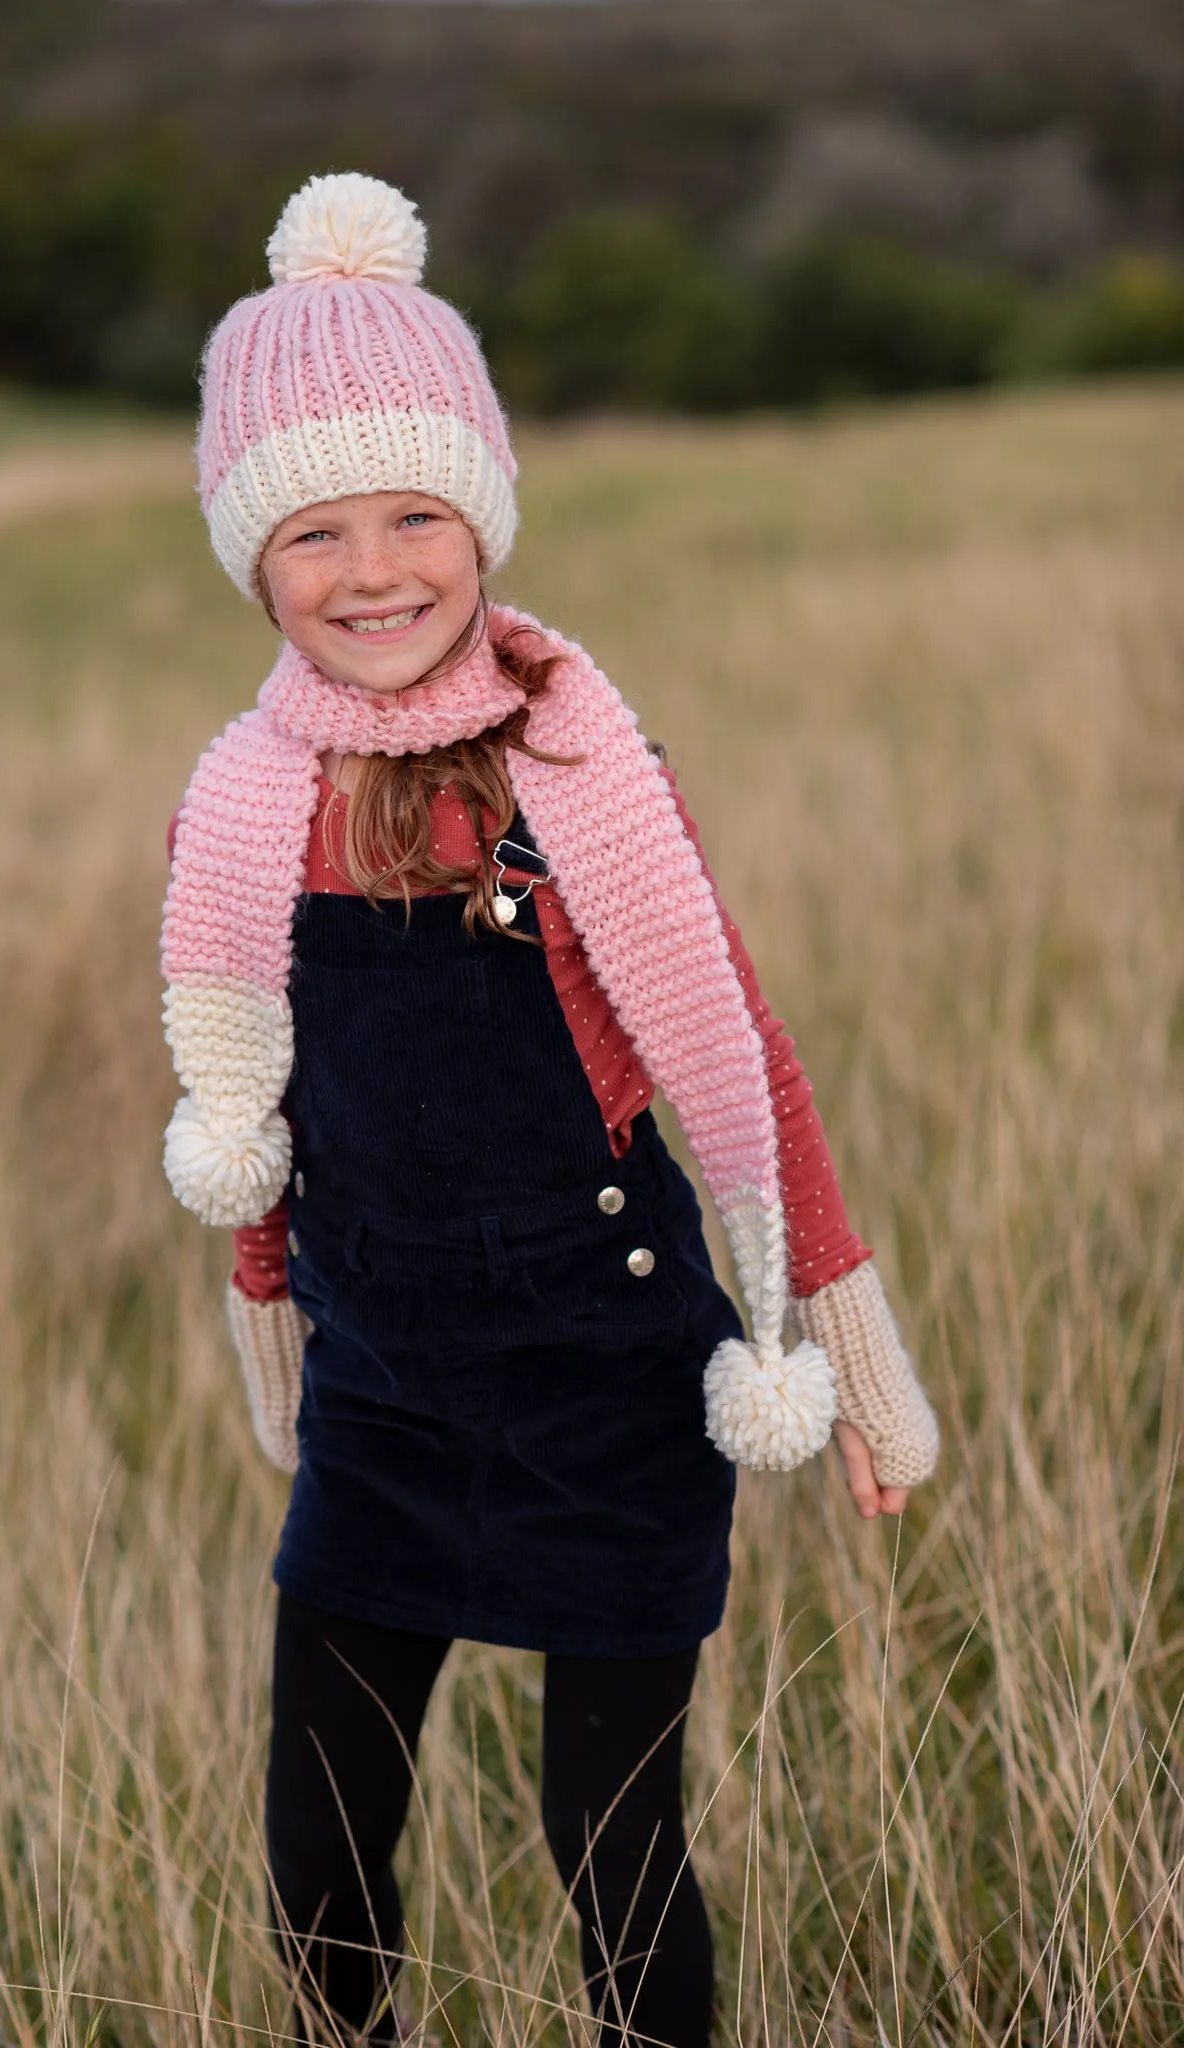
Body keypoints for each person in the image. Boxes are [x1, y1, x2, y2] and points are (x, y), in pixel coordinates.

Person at [160, 172, 939, 2048]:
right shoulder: (248, 809)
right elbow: (252, 1103)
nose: (374, 570)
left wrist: (853, 1346)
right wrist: (275, 1315)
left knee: (614, 1838)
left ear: (485, 517)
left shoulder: (574, 774)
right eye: (314, 529)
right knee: (324, 1823)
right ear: (249, 558)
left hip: (609, 1375)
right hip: (385, 1388)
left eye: (418, 510)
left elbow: (740, 1061)